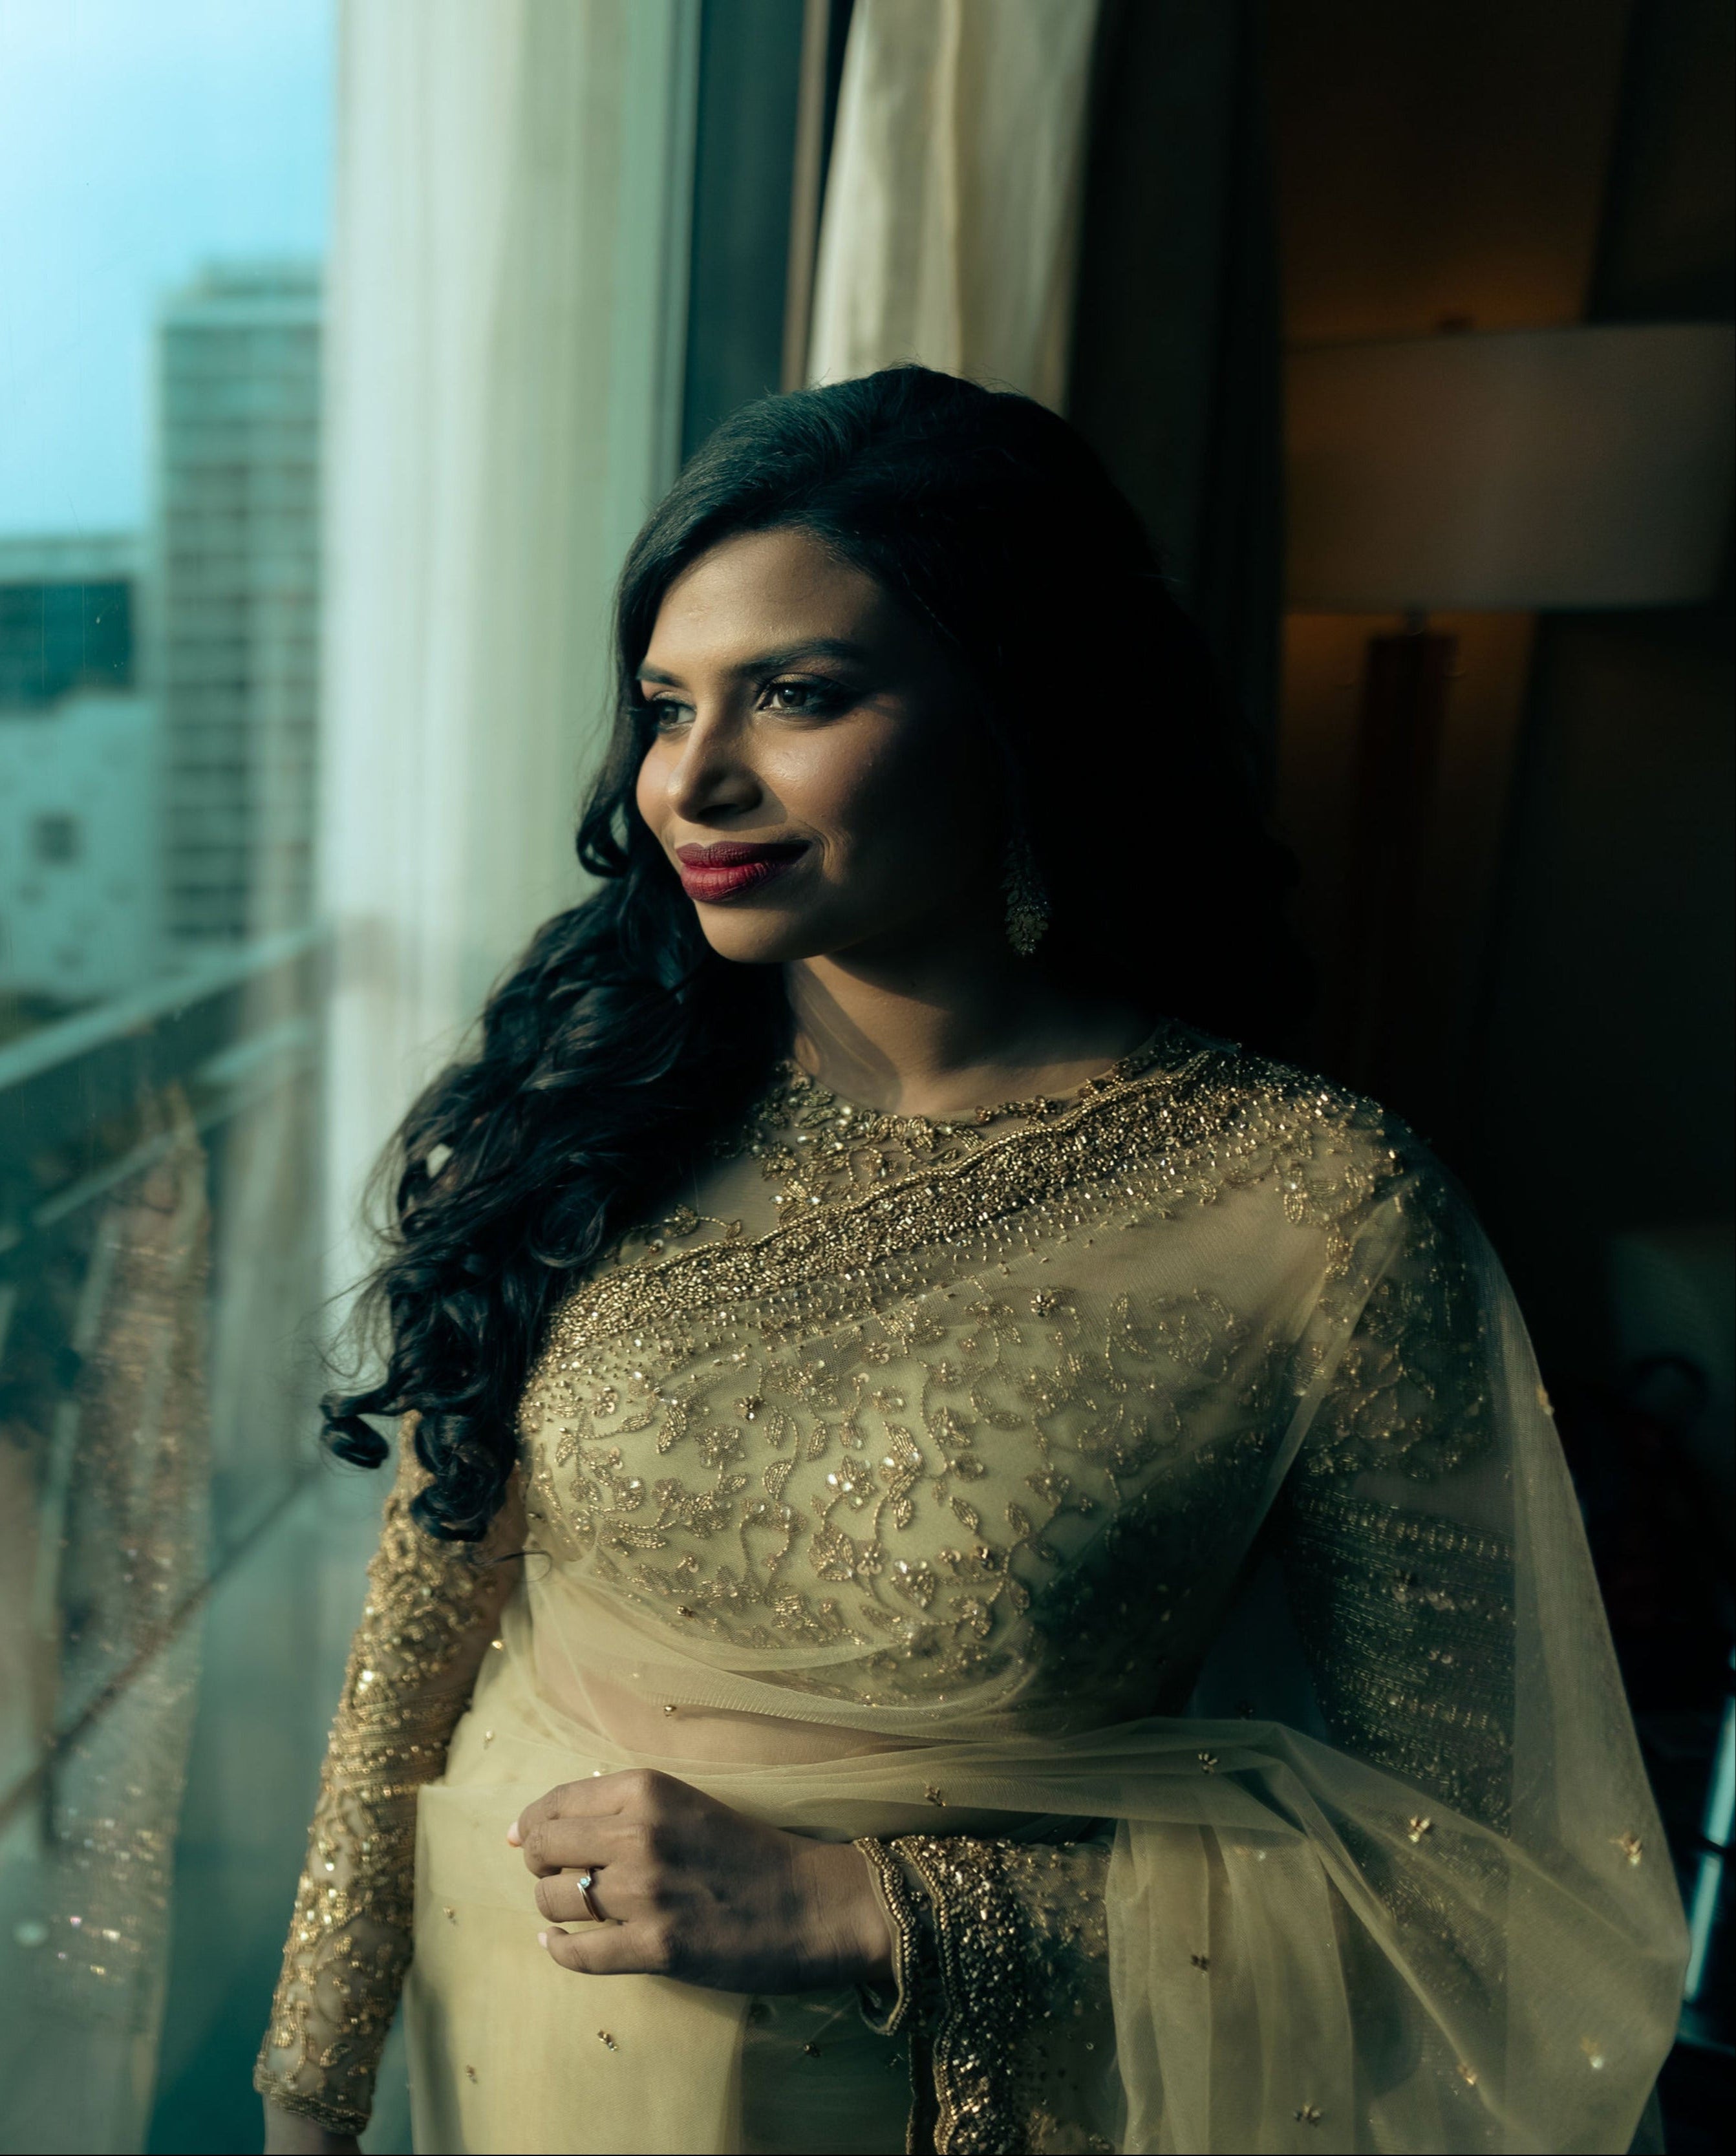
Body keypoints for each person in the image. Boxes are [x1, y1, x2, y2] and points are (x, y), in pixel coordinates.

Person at [257, 367, 1684, 2155]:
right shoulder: (593, 1103)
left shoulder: (1319, 1209)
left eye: (798, 696)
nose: (691, 780)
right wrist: (311, 2089)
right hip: (506, 2079)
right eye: (663, 706)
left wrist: (881, 1912)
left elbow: (1494, 1907)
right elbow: (420, 1637)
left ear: (1016, 707)